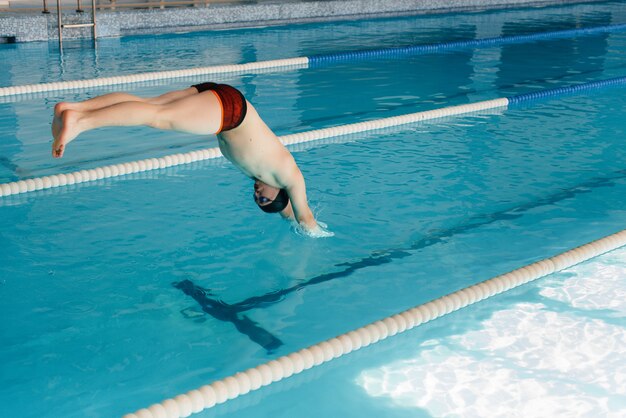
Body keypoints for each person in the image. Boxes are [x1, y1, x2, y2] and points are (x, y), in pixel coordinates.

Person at [51, 82, 332, 237]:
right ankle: (81, 122)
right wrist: (322, 239)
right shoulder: (289, 176)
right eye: (263, 198)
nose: (257, 194)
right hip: (230, 113)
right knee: (158, 118)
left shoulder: (260, 173)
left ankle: (73, 108)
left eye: (257, 200)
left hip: (224, 100)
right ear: (280, 193)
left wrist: (286, 217)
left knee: (151, 104)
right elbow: (304, 216)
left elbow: (286, 212)